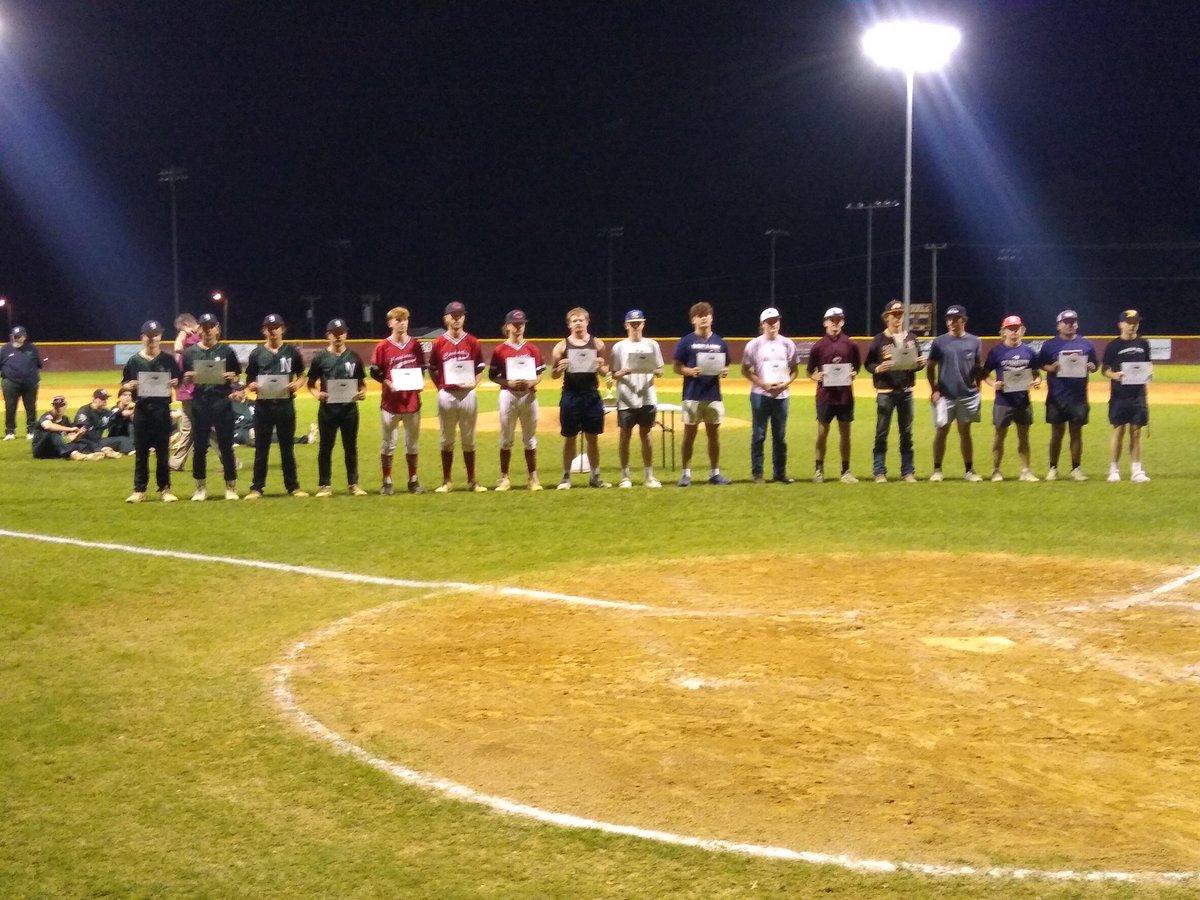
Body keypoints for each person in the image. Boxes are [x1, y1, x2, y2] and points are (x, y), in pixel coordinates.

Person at [244, 313, 309, 499]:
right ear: (264, 330)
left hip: (285, 405)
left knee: (287, 448)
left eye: (276, 327)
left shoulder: (291, 352)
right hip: (263, 406)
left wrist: (297, 385)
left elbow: (301, 375)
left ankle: (293, 487)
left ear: (283, 329)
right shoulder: (257, 354)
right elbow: (249, 379)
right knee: (261, 449)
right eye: (270, 328)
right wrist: (252, 386)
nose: (273, 331)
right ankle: (256, 488)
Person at [181, 312, 242, 501]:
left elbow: (237, 376)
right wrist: (187, 378)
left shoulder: (226, 352)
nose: (208, 330)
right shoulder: (190, 352)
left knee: (226, 445)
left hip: (222, 401)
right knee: (199, 447)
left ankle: (230, 486)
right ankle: (200, 487)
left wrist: (233, 379)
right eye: (204, 327)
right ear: (199, 329)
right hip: (200, 401)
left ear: (217, 329)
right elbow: (182, 377)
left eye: (211, 327)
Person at [120, 320, 183, 502]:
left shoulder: (167, 359)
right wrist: (128, 385)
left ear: (160, 337)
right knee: (141, 452)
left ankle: (165, 489)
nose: (152, 338)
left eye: (155, 335)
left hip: (162, 410)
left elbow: (178, 381)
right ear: (142, 337)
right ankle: (139, 490)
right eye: (148, 335)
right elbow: (124, 383)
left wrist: (175, 383)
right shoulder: (134, 361)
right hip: (142, 410)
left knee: (163, 452)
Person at [428, 301, 487, 492]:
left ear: (464, 317)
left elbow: (479, 368)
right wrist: (441, 387)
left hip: (468, 394)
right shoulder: (439, 342)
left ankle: (472, 480)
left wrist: (474, 384)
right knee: (447, 439)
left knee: (469, 438)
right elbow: (433, 369)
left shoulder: (472, 341)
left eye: (460, 315)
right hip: (447, 394)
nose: (456, 319)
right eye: (453, 316)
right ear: (446, 318)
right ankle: (447, 481)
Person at [864, 299, 924, 483]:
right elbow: (868, 363)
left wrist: (920, 364)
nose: (898, 318)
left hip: (906, 391)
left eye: (900, 314)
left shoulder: (911, 338)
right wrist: (878, 368)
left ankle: (907, 471)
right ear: (886, 317)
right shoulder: (879, 340)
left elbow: (915, 364)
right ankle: (879, 471)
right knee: (882, 433)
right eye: (894, 315)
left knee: (906, 433)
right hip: (885, 392)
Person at [307, 318, 369, 497]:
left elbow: (362, 384)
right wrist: (317, 394)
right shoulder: (320, 358)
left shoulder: (354, 357)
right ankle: (325, 485)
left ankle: (353, 484)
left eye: (341, 332)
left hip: (349, 410)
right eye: (334, 333)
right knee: (326, 448)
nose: (338, 336)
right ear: (328, 335)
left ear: (346, 334)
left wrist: (362, 393)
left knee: (351, 448)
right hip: (328, 410)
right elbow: (311, 384)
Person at [369, 306, 427, 495]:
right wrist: (387, 383)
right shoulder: (383, 346)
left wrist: (419, 382)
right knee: (388, 443)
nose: (401, 323)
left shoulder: (415, 345)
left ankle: (413, 480)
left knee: (412, 443)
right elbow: (375, 371)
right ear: (390, 323)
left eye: (404, 319)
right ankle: (387, 481)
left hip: (411, 402)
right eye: (397, 320)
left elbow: (421, 369)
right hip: (390, 403)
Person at [672, 301, 731, 486]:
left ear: (712, 317)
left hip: (713, 395)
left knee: (714, 436)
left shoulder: (720, 342)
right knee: (689, 435)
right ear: (693, 320)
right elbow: (676, 366)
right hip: (692, 394)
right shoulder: (686, 341)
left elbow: (727, 363)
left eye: (706, 314)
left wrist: (724, 370)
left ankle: (715, 473)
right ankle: (686, 474)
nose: (703, 317)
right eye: (699, 315)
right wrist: (689, 372)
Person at [551, 307, 611, 489]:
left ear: (587, 322)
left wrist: (601, 367)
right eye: (574, 320)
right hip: (570, 395)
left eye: (581, 320)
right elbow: (553, 374)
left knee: (593, 438)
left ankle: (595, 476)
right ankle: (566, 477)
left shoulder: (598, 344)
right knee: (569, 437)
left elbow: (605, 372)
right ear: (569, 324)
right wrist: (559, 368)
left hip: (591, 395)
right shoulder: (561, 346)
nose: (578, 323)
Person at [1037, 309, 1099, 481]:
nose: (1070, 324)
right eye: (1066, 322)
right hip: (1057, 396)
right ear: (1058, 325)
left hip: (1078, 396)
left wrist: (1092, 367)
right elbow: (1042, 364)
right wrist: (1051, 368)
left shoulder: (1086, 344)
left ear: (1077, 324)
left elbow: (1096, 364)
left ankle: (1076, 468)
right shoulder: (1049, 345)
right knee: (1056, 433)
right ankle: (1053, 468)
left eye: (1073, 321)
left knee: (1076, 432)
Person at [488, 309, 545, 491]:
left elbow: (540, 374)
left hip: (528, 395)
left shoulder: (532, 348)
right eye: (515, 324)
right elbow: (492, 375)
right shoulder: (500, 350)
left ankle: (533, 478)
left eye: (521, 324)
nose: (519, 327)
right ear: (508, 326)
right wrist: (507, 382)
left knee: (529, 438)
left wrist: (531, 382)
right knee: (506, 438)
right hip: (508, 395)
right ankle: (504, 478)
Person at [926, 304, 984, 482]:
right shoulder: (939, 342)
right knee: (941, 431)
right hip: (945, 395)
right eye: (949, 319)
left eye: (955, 319)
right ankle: (937, 470)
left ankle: (969, 470)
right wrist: (934, 389)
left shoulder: (974, 341)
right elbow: (930, 367)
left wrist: (978, 388)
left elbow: (977, 367)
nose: (951, 322)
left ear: (963, 320)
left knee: (965, 432)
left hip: (967, 395)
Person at [741, 307, 797, 484]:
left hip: (782, 395)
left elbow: (795, 370)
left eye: (776, 321)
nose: (773, 324)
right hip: (760, 395)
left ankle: (779, 473)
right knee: (759, 435)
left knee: (780, 436)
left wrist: (786, 384)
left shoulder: (788, 344)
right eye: (769, 322)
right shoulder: (754, 344)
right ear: (762, 324)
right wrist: (762, 384)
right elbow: (745, 370)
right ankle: (758, 474)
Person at [609, 308, 665, 488]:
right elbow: (612, 375)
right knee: (624, 436)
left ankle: (649, 476)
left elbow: (661, 370)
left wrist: (654, 370)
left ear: (643, 324)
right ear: (626, 325)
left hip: (647, 397)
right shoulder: (619, 347)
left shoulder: (652, 345)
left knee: (646, 435)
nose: (635, 326)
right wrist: (621, 372)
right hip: (626, 397)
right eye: (632, 324)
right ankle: (625, 476)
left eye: (638, 323)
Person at [981, 315, 1041, 482]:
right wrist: (993, 384)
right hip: (1003, 401)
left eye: (1017, 328)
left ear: (1022, 330)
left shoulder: (1029, 351)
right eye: (1010, 329)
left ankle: (1026, 470)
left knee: (1024, 438)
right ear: (1004, 331)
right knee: (999, 437)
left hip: (1023, 400)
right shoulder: (996, 352)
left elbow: (1036, 374)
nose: (1014, 332)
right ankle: (996, 471)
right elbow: (984, 374)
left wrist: (1036, 381)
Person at [807, 307, 862, 483]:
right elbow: (809, 371)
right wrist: (816, 376)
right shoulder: (818, 346)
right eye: (832, 320)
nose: (835, 323)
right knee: (822, 433)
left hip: (845, 395)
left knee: (845, 434)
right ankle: (818, 470)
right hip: (825, 395)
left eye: (838, 320)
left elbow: (856, 367)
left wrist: (853, 374)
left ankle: (846, 471)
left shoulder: (851, 344)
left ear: (843, 322)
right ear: (825, 322)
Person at [1101, 309, 1152, 483]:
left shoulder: (1144, 344)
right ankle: (1114, 469)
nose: (1132, 325)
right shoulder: (1113, 345)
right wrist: (1114, 375)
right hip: (1119, 395)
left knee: (1136, 431)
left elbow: (1147, 365)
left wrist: (1149, 375)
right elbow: (1105, 369)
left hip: (1138, 394)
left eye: (1135, 322)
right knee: (1119, 430)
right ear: (1120, 324)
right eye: (1129, 322)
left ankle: (1136, 469)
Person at [168, 313, 201, 471]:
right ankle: (176, 462)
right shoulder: (194, 337)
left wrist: (183, 333)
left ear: (186, 324)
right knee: (190, 427)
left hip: (195, 388)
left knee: (204, 425)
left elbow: (178, 348)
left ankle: (230, 459)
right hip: (187, 387)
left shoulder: (194, 336)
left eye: (180, 328)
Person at [32, 396, 104, 461]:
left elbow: (68, 439)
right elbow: (48, 426)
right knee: (52, 434)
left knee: (81, 441)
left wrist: (78, 434)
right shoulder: (48, 416)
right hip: (41, 449)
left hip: (54, 450)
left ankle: (99, 450)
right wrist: (70, 429)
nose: (59, 409)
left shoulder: (65, 420)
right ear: (53, 406)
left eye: (61, 406)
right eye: (56, 406)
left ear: (65, 406)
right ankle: (76, 455)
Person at [2, 325, 41, 440]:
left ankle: (31, 431)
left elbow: (38, 364)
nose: (16, 338)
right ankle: (10, 432)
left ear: (24, 337)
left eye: (19, 336)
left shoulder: (32, 348)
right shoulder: (5, 349)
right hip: (10, 382)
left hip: (30, 383)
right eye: (15, 336)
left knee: (30, 407)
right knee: (10, 407)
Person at [73, 389, 130, 457]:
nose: (105, 401)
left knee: (122, 439)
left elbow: (116, 414)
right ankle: (102, 450)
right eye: (103, 399)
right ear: (95, 399)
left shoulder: (105, 411)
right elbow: (85, 433)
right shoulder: (84, 411)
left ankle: (130, 451)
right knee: (86, 442)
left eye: (106, 399)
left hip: (99, 441)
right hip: (85, 442)